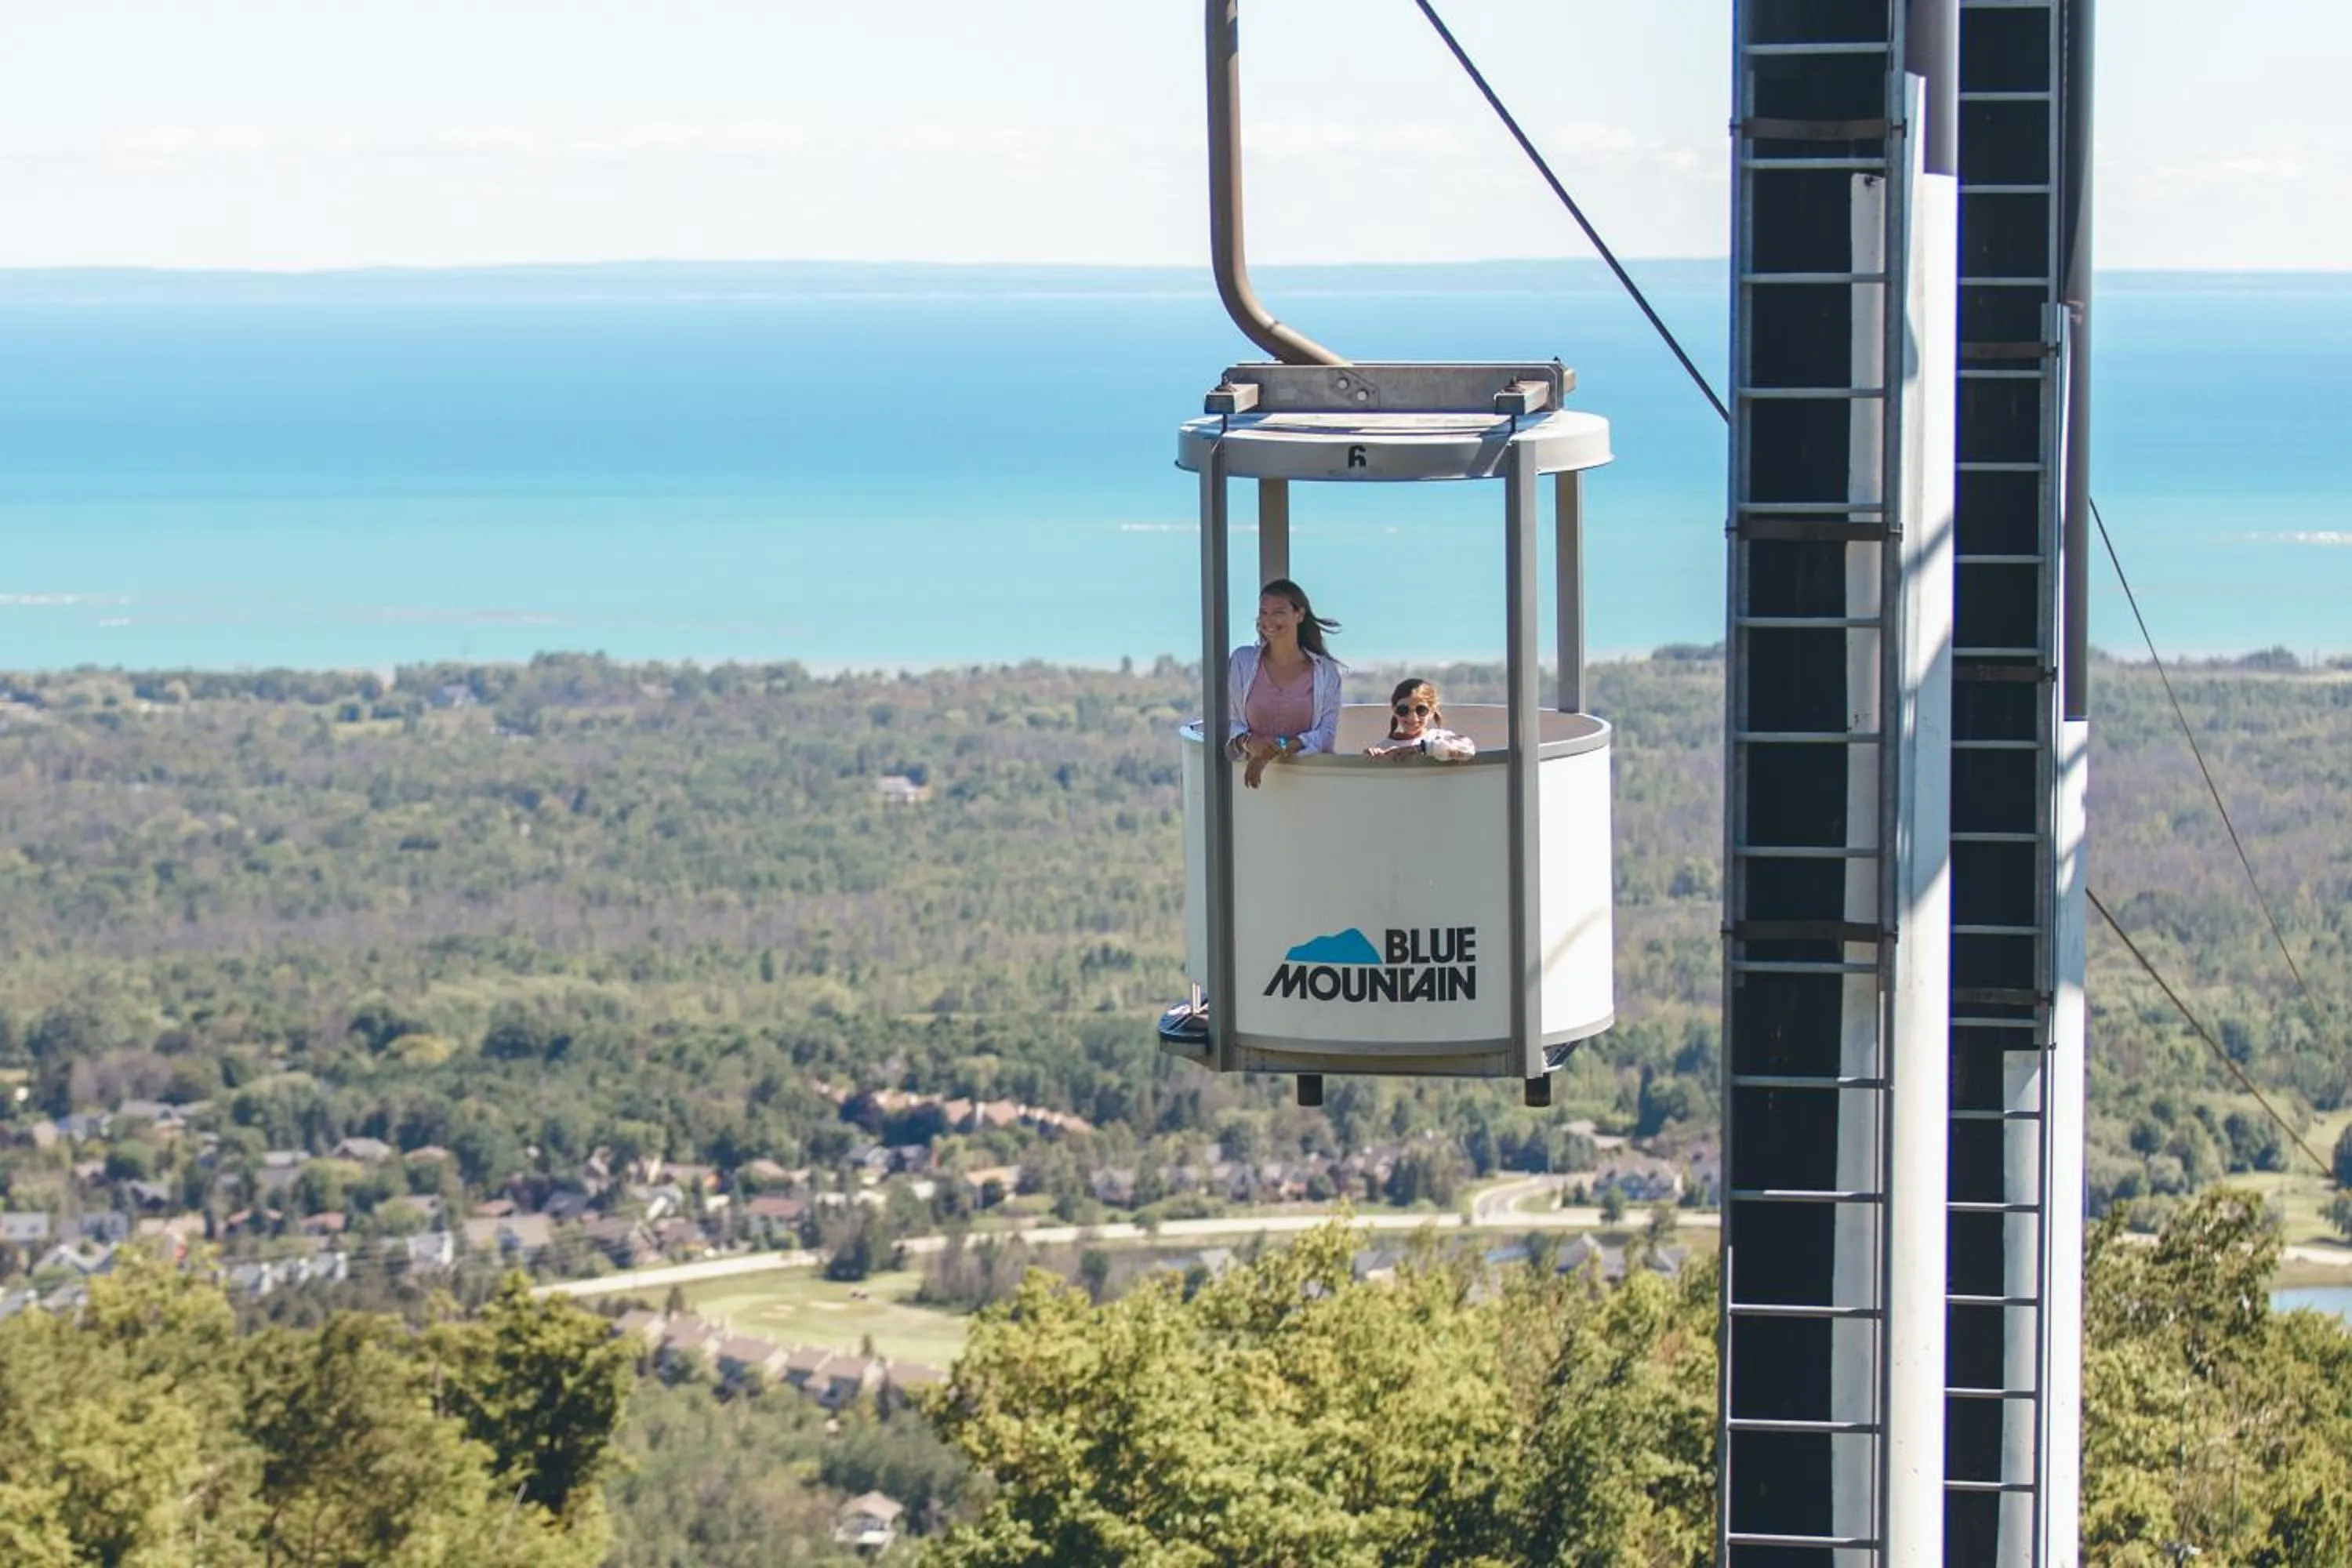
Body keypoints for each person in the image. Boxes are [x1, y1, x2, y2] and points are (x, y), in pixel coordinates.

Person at [1225, 578, 1342, 789]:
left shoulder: (1325, 672)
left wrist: (1276, 750)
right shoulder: (1242, 662)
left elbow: (1326, 736)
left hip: (1310, 785)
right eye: (1263, 612)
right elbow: (1231, 721)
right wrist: (1249, 742)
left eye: (1278, 612)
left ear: (1300, 615)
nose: (1268, 621)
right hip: (1250, 786)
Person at [1363, 677, 1476, 761]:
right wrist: (1372, 757)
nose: (1413, 717)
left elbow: (1468, 749)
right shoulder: (1385, 746)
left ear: (1432, 712)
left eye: (1421, 710)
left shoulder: (1438, 737)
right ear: (1394, 710)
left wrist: (1417, 749)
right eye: (1403, 710)